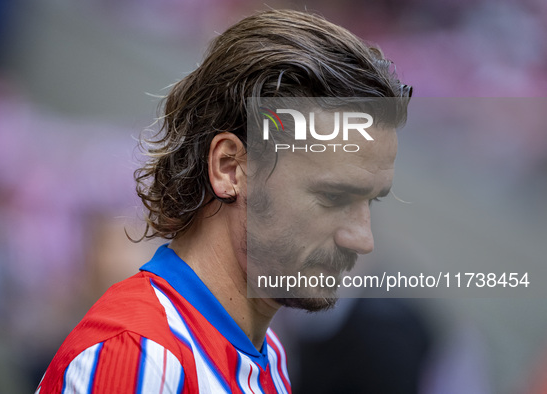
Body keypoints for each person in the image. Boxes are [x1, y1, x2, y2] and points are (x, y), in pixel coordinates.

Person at [35, 9, 411, 393]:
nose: (362, 239)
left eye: (370, 202)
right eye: (332, 197)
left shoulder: (265, 357)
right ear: (230, 168)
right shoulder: (142, 357)